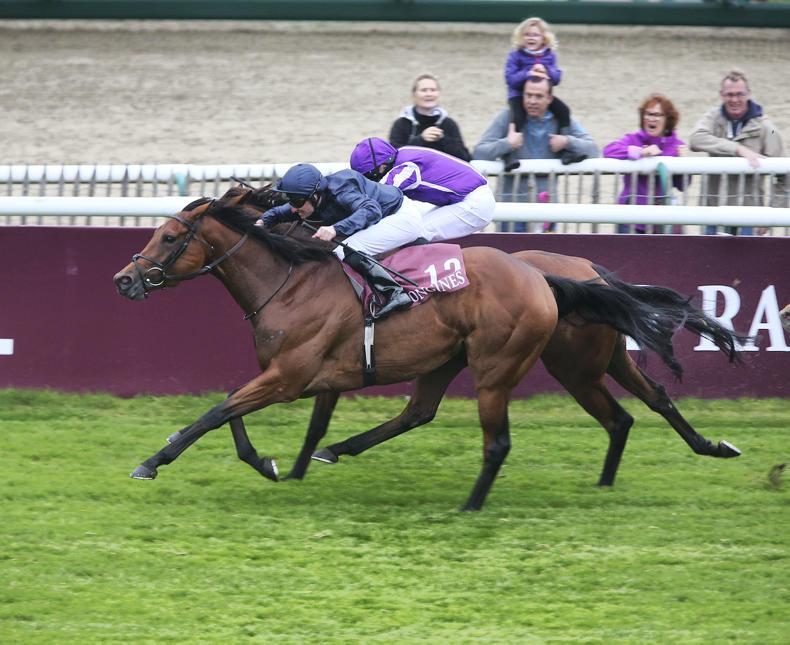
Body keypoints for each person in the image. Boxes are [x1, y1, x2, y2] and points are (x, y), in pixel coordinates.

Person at [257, 163, 425, 319]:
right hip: (386, 217)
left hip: (401, 218)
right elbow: (283, 211)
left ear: (315, 195)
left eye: (297, 201)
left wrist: (335, 229)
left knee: (346, 249)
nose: (294, 207)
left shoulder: (342, 189)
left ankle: (395, 292)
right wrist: (264, 221)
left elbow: (371, 210)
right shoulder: (312, 197)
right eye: (291, 201)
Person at [472, 74, 598, 232]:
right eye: (528, 95)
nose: (532, 101)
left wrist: (567, 141)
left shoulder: (561, 119)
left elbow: (593, 150)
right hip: (512, 208)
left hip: (547, 208)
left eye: (538, 96)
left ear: (549, 98)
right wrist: (507, 144)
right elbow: (479, 153)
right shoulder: (507, 117)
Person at [689, 68, 787, 235]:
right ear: (721, 95)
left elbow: (785, 175)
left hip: (749, 217)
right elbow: (695, 139)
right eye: (729, 95)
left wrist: (772, 214)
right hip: (713, 213)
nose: (734, 99)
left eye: (740, 94)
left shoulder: (767, 128)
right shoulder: (712, 118)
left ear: (748, 94)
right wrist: (738, 149)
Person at [349, 137, 495, 241]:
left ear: (381, 166)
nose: (371, 181)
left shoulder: (405, 168)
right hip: (466, 199)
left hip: (475, 204)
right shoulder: (402, 153)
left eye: (369, 176)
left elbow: (379, 198)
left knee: (414, 233)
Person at [603, 93, 688, 234]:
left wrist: (684, 165)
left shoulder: (677, 146)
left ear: (667, 120)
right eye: (648, 114)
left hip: (663, 222)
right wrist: (640, 152)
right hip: (630, 220)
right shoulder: (632, 139)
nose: (651, 119)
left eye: (657, 115)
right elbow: (609, 150)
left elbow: (682, 185)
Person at [503, 17, 573, 170]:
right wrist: (528, 72)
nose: (530, 38)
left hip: (542, 96)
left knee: (564, 111)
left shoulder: (550, 55)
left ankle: (565, 150)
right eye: (527, 34)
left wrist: (546, 70)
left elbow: (556, 78)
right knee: (518, 118)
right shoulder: (516, 55)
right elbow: (510, 79)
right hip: (518, 95)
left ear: (543, 38)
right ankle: (510, 154)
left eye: (535, 35)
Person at [388, 73, 472, 161]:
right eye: (424, 90)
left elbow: (465, 158)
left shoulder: (448, 123)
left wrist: (442, 139)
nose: (429, 94)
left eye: (433, 90)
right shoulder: (401, 124)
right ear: (414, 95)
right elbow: (393, 157)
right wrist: (421, 139)